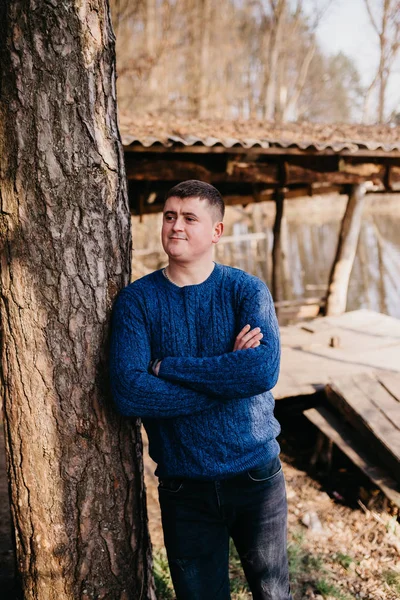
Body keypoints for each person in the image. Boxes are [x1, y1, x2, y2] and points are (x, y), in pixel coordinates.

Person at [109, 180, 293, 600]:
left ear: (216, 231)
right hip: (183, 484)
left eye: (190, 218)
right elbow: (130, 392)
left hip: (256, 477)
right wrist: (228, 378)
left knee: (273, 594)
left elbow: (262, 371)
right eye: (170, 216)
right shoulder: (137, 302)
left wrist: (167, 368)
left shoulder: (246, 291)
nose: (176, 225)